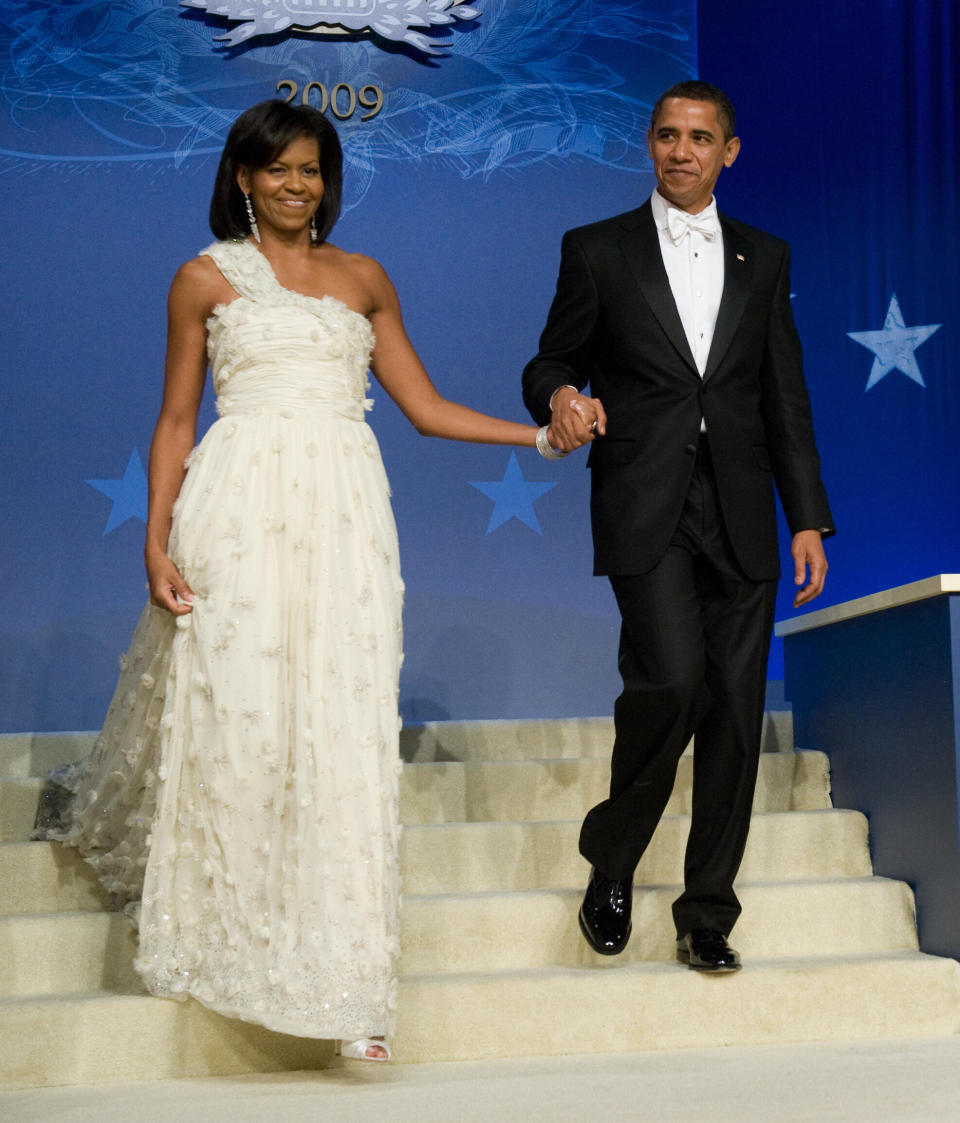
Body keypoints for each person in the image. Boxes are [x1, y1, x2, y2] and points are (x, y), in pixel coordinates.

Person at [35, 99, 549, 1062]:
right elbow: (177, 422)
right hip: (235, 508)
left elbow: (427, 408)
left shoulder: (365, 279)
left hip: (347, 514)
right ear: (242, 177)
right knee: (245, 715)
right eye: (277, 169)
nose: (295, 185)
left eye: (311, 170)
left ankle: (350, 982)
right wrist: (155, 541)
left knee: (340, 724)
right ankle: (224, 941)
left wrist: (538, 436)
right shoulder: (202, 279)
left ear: (328, 180)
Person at [522, 80, 833, 973]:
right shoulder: (597, 250)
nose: (681, 150)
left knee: (735, 712)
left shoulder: (764, 258)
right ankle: (613, 855)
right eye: (667, 134)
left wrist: (806, 517)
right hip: (644, 501)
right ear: (649, 144)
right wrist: (563, 396)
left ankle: (706, 912)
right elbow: (549, 359)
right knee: (671, 679)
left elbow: (785, 397)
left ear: (728, 152)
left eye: (700, 137)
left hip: (742, 509)